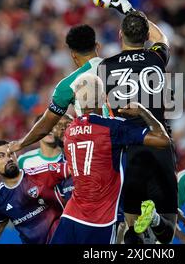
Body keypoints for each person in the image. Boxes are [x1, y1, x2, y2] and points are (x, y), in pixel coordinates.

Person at [50, 73, 170, 244]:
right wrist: (143, 112)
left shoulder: (70, 131)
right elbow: (163, 140)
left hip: (72, 213)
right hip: (100, 218)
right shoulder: (113, 128)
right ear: (103, 97)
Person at [98, 0, 177, 244]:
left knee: (130, 227)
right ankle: (154, 219)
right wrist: (128, 8)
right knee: (168, 233)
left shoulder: (105, 66)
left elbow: (105, 110)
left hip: (128, 150)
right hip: (160, 142)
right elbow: (161, 38)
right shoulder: (156, 59)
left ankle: (146, 224)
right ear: (145, 38)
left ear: (120, 35)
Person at [8, 24, 103, 155]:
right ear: (97, 46)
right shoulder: (121, 70)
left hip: (96, 149)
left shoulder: (67, 85)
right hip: (130, 142)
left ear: (73, 55)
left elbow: (47, 124)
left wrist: (21, 143)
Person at [0, 140, 71, 244]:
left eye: (11, 153)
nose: (8, 159)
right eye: (1, 156)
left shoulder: (41, 173)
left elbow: (75, 169)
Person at [18, 113, 74, 201]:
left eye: (53, 126)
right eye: (44, 127)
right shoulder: (23, 160)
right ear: (36, 131)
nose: (50, 130)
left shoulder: (69, 156)